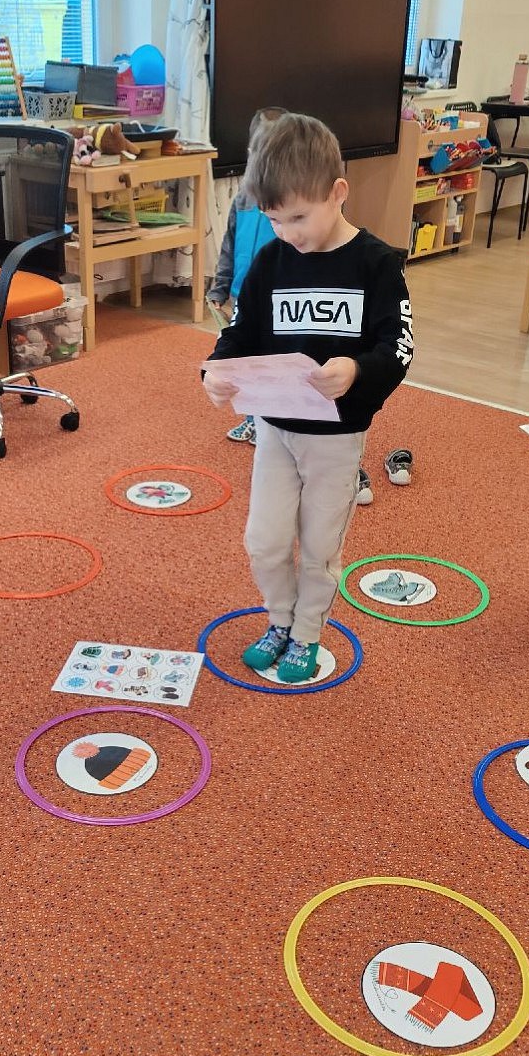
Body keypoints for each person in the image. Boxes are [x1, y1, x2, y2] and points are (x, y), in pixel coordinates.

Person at [203, 112, 414, 682]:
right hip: (275, 430)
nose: (287, 232)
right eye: (274, 219)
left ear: (337, 192)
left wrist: (356, 369)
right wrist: (215, 371)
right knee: (264, 541)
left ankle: (307, 631)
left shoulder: (376, 263)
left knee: (320, 548)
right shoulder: (271, 260)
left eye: (298, 217)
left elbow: (398, 346)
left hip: (337, 438)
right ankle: (279, 620)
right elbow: (240, 332)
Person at [207, 107, 286, 449]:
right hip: (242, 295)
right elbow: (229, 245)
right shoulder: (242, 199)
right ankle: (253, 418)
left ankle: (272, 419)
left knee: (270, 360)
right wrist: (220, 287)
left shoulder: (287, 202)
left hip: (276, 298)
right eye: (258, 152)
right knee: (245, 359)